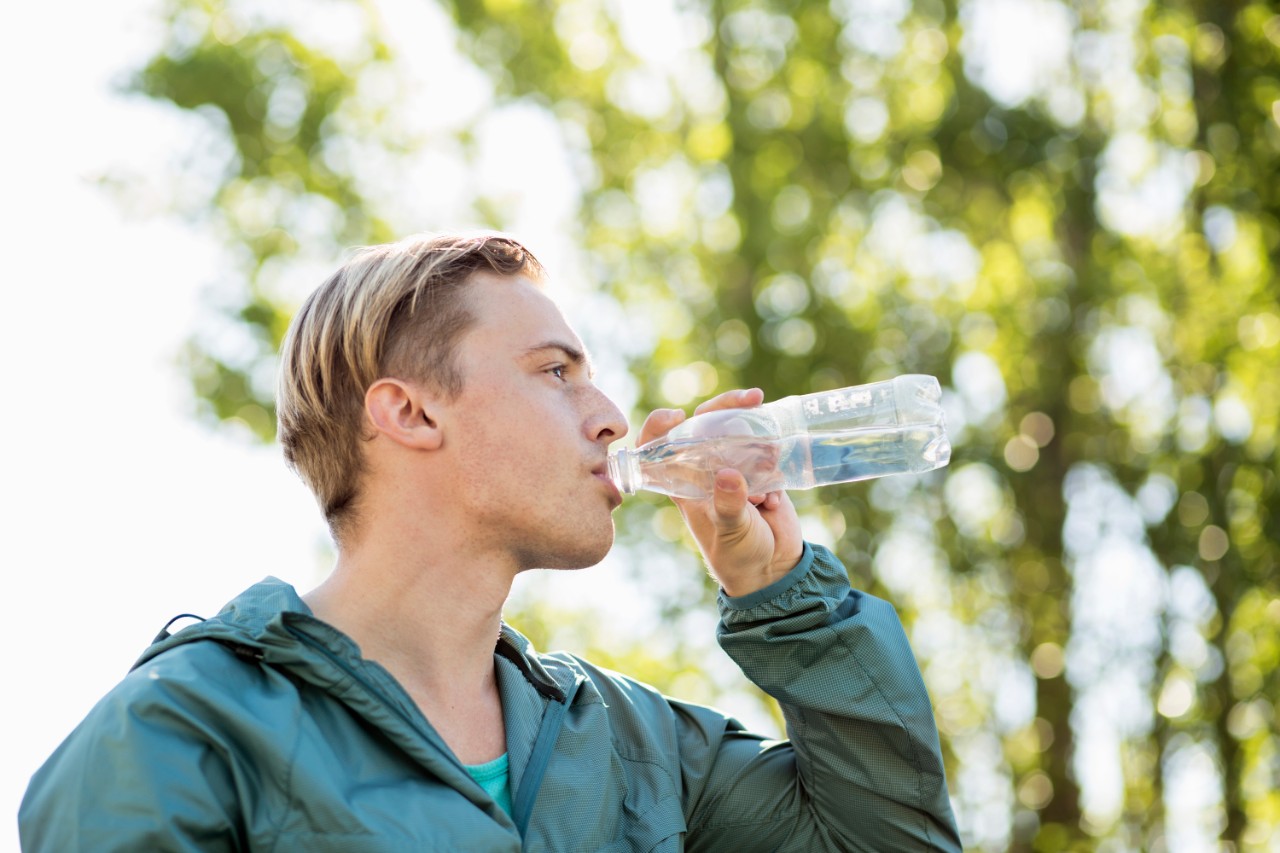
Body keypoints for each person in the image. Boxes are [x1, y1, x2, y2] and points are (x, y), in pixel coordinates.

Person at [20, 233, 961, 851]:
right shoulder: (185, 732)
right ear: (413, 411)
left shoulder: (634, 746)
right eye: (556, 371)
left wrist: (781, 592)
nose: (612, 418)